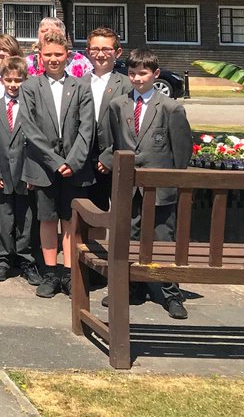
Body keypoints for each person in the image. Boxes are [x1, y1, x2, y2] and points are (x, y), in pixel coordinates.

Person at [98, 49, 193, 319]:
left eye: (143, 73)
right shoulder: (119, 105)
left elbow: (182, 151)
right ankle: (132, 288)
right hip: (128, 186)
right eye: (132, 73)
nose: (137, 78)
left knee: (163, 238)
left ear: (155, 74)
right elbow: (116, 140)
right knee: (128, 237)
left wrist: (173, 181)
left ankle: (171, 292)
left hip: (161, 186)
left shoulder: (171, 108)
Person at [21, 29, 94, 299]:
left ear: (68, 56)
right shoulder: (30, 87)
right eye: (48, 54)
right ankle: (50, 273)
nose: (53, 59)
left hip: (74, 168)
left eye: (58, 54)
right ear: (39, 56)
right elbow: (30, 128)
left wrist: (73, 161)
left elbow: (87, 128)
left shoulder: (80, 86)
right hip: (44, 166)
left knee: (70, 221)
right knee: (48, 219)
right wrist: (54, 161)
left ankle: (68, 273)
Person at [0, 57, 36, 283]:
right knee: (4, 217)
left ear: (25, 80)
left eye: (18, 80)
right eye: (9, 80)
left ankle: (26, 259)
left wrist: (33, 173)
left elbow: (36, 143)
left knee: (26, 218)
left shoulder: (32, 108)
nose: (13, 84)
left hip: (25, 172)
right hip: (1, 172)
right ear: (1, 80)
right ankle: (3, 259)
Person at [85, 26, 128, 213]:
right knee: (88, 212)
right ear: (88, 52)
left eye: (106, 49)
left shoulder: (127, 85)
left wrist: (109, 157)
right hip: (84, 160)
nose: (100, 54)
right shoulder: (77, 83)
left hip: (114, 158)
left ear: (117, 52)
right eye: (95, 49)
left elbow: (129, 128)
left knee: (120, 213)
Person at [25, 17, 92, 78]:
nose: (48, 34)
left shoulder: (81, 62)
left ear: (63, 35)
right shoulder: (27, 63)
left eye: (53, 31)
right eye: (44, 31)